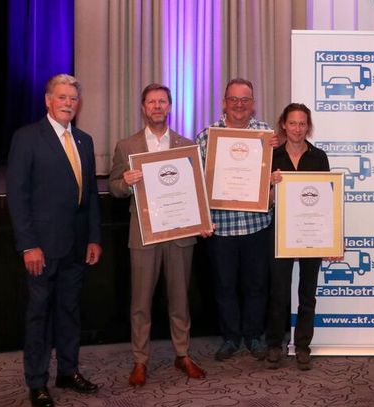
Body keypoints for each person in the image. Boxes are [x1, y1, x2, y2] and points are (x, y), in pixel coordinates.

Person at [7, 74, 102, 407]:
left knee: (69, 312)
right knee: (39, 316)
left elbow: (89, 194)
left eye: (73, 98)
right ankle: (37, 382)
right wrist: (28, 245)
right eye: (61, 97)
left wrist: (94, 237)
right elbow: (17, 197)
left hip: (76, 246)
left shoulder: (85, 141)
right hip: (42, 250)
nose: (67, 103)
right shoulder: (27, 138)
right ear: (48, 101)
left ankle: (68, 371)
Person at [109, 83, 211, 386]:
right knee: (140, 301)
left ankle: (183, 354)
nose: (157, 106)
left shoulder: (186, 144)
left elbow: (197, 189)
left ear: (170, 107)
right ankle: (140, 360)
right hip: (143, 232)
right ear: (143, 108)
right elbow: (113, 187)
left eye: (162, 101)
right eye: (151, 102)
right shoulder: (126, 146)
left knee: (180, 299)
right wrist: (125, 182)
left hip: (180, 233)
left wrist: (202, 220)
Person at [195, 78, 279, 361]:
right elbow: (199, 183)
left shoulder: (267, 135)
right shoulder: (207, 136)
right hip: (221, 227)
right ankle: (231, 337)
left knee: (257, 285)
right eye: (234, 99)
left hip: (257, 225)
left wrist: (270, 182)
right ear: (224, 102)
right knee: (224, 286)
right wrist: (202, 218)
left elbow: (273, 179)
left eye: (245, 100)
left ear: (253, 104)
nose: (239, 105)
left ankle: (254, 336)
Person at [265, 103, 330, 371]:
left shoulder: (319, 157)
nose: (297, 129)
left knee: (307, 292)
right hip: (280, 233)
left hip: (311, 234)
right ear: (283, 124)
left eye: (302, 124)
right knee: (278, 292)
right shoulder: (271, 156)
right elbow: (264, 202)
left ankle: (302, 345)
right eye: (292, 123)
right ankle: (274, 345)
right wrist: (269, 184)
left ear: (308, 126)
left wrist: (333, 237)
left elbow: (328, 199)